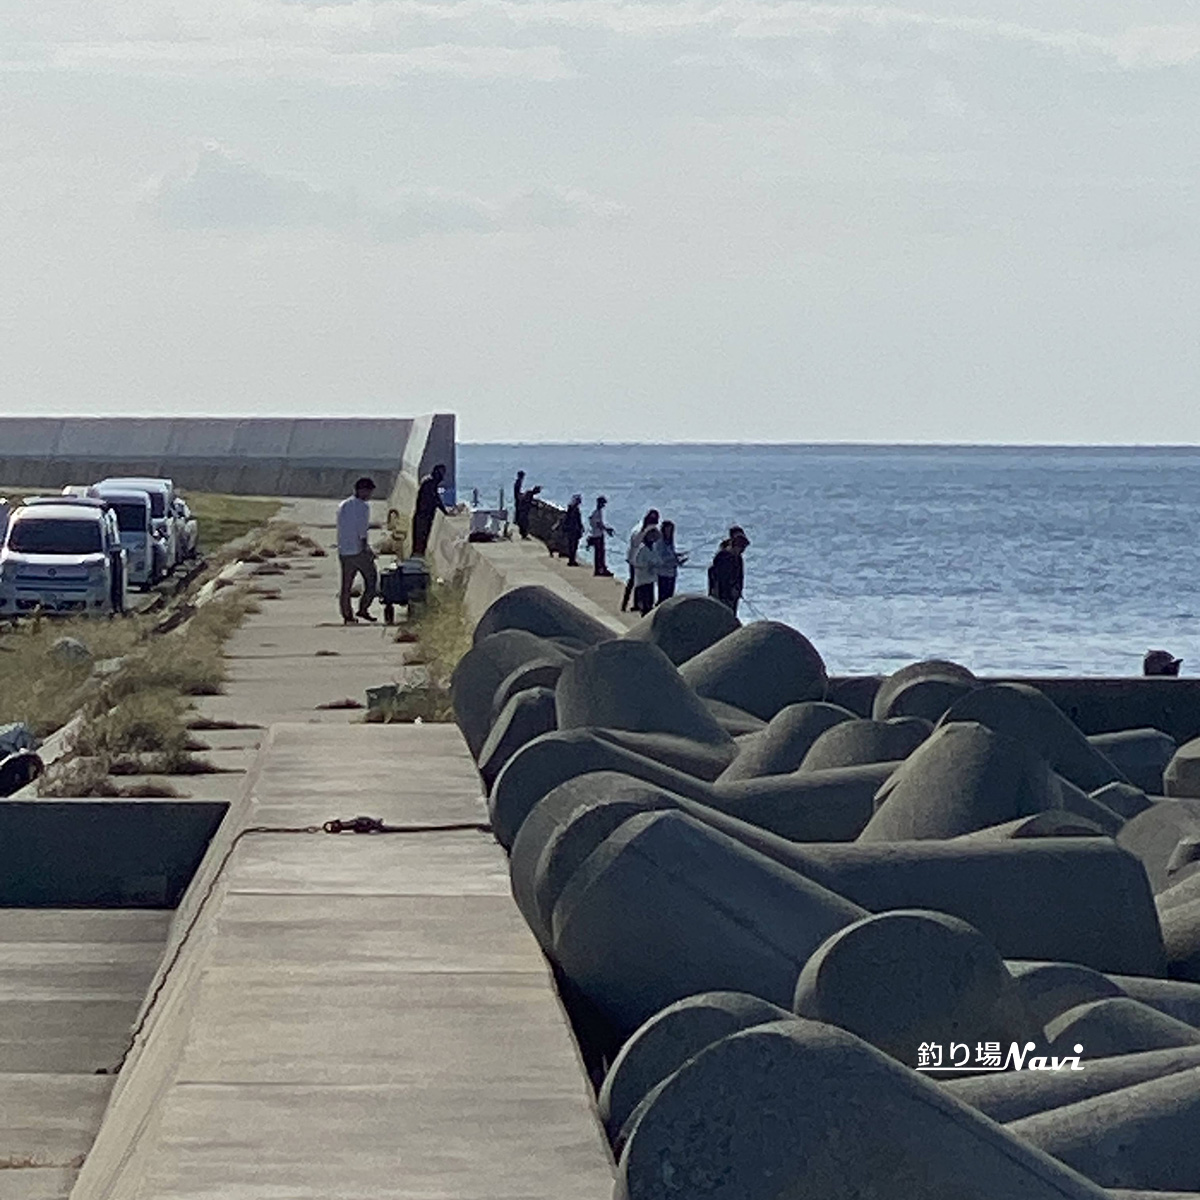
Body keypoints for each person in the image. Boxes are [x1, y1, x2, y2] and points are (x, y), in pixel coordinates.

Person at [337, 476, 378, 624]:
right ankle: (363, 608)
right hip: (358, 551)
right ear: (362, 491)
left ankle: (347, 615)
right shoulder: (363, 507)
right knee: (372, 579)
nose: (370, 496)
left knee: (346, 586)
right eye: (369, 492)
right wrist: (366, 550)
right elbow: (362, 531)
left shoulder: (343, 505)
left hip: (344, 550)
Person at [622, 509, 660, 612]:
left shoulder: (645, 528)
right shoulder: (641, 530)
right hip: (637, 558)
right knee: (635, 582)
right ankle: (628, 604)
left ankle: (634, 604)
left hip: (637, 557)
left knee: (635, 581)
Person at [708, 527, 750, 615]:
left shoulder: (738, 558)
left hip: (733, 596)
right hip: (721, 594)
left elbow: (740, 576)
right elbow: (719, 578)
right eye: (740, 548)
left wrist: (739, 590)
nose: (741, 551)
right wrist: (729, 590)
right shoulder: (722, 557)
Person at [410, 463, 448, 557]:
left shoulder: (429, 483)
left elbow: (436, 498)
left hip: (424, 516)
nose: (443, 476)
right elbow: (435, 499)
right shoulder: (429, 484)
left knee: (421, 540)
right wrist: (445, 512)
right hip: (423, 516)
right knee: (420, 541)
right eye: (442, 473)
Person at [654, 519, 687, 604]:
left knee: (670, 597)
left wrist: (678, 556)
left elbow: (670, 554)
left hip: (672, 573)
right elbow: (661, 558)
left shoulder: (670, 542)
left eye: (671, 530)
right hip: (663, 573)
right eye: (667, 530)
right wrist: (676, 561)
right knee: (662, 597)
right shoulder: (659, 542)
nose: (669, 532)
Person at [632, 526, 661, 616]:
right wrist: (647, 565)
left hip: (650, 578)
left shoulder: (653, 548)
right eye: (651, 536)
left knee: (650, 599)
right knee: (644, 600)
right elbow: (637, 562)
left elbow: (657, 559)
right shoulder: (642, 548)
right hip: (643, 579)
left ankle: (647, 612)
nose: (652, 539)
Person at [589, 496, 614, 576]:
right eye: (603, 503)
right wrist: (607, 530)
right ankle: (599, 570)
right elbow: (598, 524)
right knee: (599, 554)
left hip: (598, 535)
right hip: (597, 536)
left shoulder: (597, 512)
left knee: (600, 553)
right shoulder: (596, 513)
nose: (604, 505)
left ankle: (601, 569)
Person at [562, 494, 585, 566]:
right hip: (574, 530)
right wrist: (580, 528)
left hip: (571, 529)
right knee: (573, 545)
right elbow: (577, 521)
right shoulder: (575, 510)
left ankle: (571, 559)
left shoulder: (570, 509)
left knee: (571, 545)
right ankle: (572, 560)